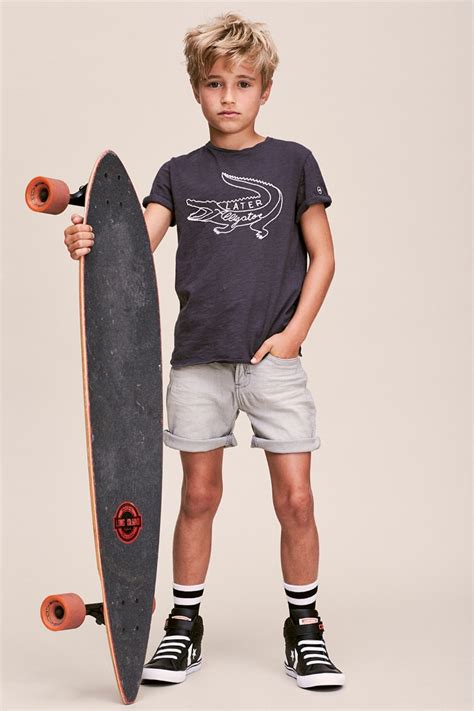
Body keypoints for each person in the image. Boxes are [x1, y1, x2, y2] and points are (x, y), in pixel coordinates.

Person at [63, 10, 345, 691]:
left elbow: (325, 256)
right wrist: (87, 238)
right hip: (197, 360)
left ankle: (305, 629)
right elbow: (131, 250)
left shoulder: (293, 161)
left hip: (273, 362)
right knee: (197, 496)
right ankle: (182, 627)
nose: (228, 97)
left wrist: (294, 336)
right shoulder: (179, 173)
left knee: (297, 499)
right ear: (196, 90)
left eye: (243, 84)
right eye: (215, 83)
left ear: (265, 90)